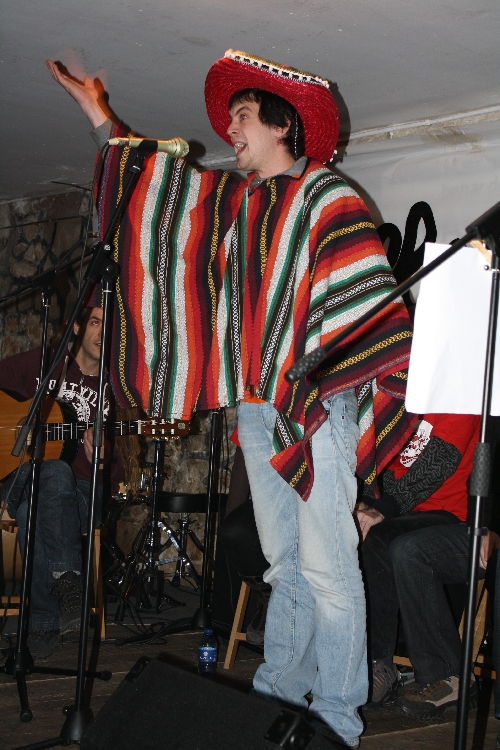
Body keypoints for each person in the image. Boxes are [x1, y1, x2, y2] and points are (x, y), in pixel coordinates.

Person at [46, 50, 415, 747]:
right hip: (255, 407)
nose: (230, 130)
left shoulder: (329, 198)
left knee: (330, 569)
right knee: (285, 567)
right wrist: (98, 112)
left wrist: (315, 366)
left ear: (281, 125)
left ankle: (338, 721)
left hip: (318, 407)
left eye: (243, 117)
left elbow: (365, 308)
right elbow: (155, 190)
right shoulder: (235, 203)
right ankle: (280, 701)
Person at [0, 306, 122, 659]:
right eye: (96, 321)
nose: (102, 332)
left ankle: (44, 618)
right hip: (18, 477)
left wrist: (103, 459)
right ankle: (68, 583)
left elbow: (117, 475)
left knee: (37, 502)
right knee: (51, 472)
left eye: (110, 325)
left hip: (83, 493)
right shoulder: (47, 362)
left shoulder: (116, 389)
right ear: (78, 326)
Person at [355, 412, 481, 707]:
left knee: (378, 538)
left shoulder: (458, 399)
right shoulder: (406, 401)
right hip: (405, 512)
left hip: (447, 515)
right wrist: (363, 502)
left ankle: (378, 663)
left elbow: (439, 462)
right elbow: (384, 464)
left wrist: (382, 508)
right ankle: (345, 655)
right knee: (347, 530)